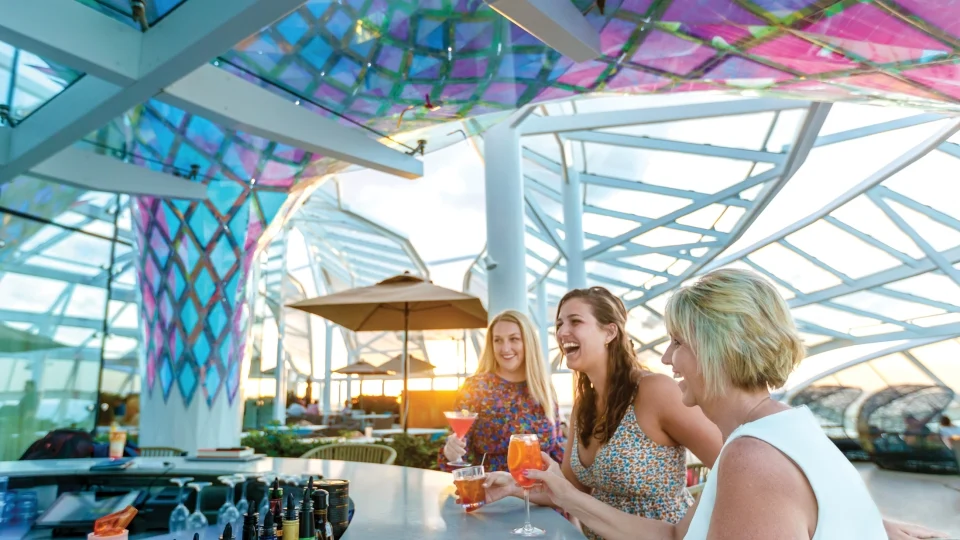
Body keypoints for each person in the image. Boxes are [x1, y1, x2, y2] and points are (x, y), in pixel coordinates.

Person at [517, 270, 942, 540]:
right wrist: (561, 493)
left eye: (678, 342)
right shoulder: (782, 430)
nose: (665, 358)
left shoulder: (750, 456)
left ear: (717, 350)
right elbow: (674, 536)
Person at [484, 287, 722, 539]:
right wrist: (514, 486)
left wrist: (691, 531)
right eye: (559, 324)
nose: (562, 332)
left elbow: (727, 463)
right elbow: (570, 490)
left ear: (609, 332)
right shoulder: (583, 406)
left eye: (575, 321)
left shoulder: (654, 391)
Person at [439, 310, 564, 472]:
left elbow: (557, 449)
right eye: (498, 340)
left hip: (542, 487)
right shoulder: (476, 387)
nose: (505, 348)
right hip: (493, 486)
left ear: (528, 342)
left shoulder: (543, 387)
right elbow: (459, 451)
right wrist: (450, 452)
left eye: (514, 339)